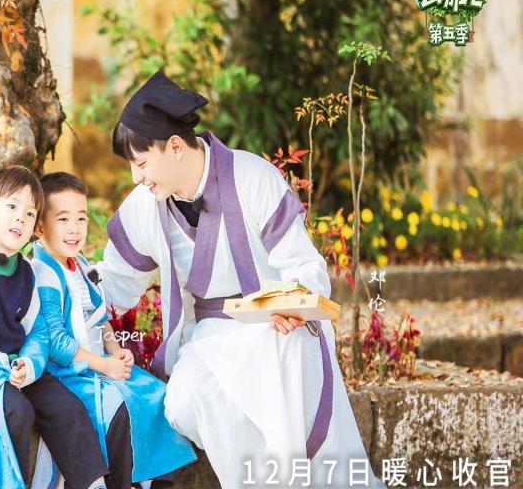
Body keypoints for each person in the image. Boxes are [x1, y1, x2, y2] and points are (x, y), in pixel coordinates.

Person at [96, 71, 383, 488]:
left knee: (284, 367)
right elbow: (111, 283)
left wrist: (292, 304)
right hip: (210, 337)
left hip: (275, 328)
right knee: (185, 399)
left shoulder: (252, 176)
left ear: (174, 147)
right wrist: (58, 290)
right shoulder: (144, 205)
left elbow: (304, 266)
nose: (136, 177)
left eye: (141, 164)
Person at [0, 166, 111, 489]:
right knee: (15, 412)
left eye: (30, 213)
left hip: (20, 368)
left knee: (67, 407)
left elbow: (38, 333)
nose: (21, 217)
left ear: (34, 228)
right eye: (12, 207)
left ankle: (93, 484)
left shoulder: (28, 273)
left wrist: (29, 364)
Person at [31, 171, 198, 489]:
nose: (74, 228)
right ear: (40, 227)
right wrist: (103, 365)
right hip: (70, 372)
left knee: (159, 396)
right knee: (119, 408)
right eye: (63, 219)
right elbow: (56, 342)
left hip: (99, 364)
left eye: (81, 218)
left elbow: (100, 316)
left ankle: (155, 483)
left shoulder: (79, 264)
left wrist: (115, 350)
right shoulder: (44, 274)